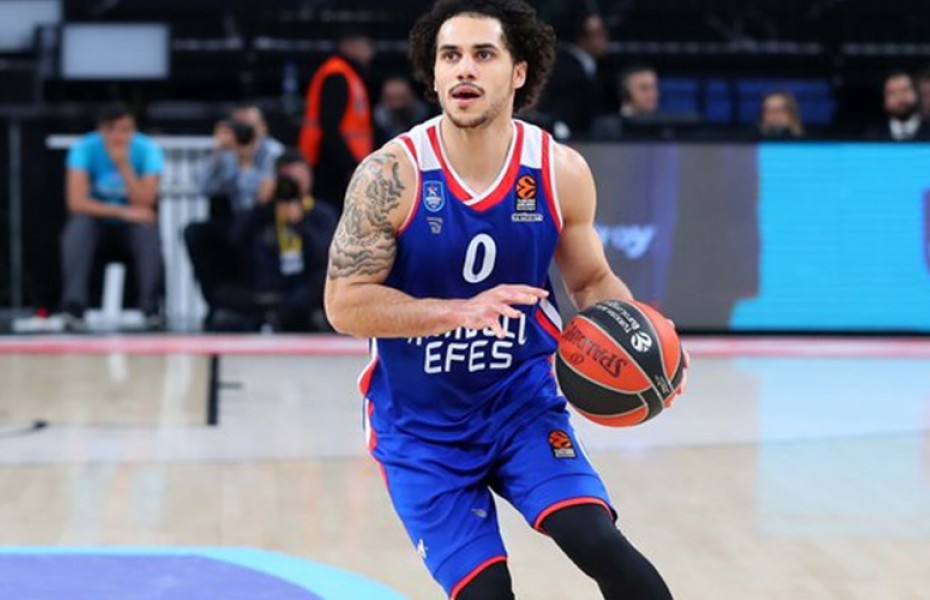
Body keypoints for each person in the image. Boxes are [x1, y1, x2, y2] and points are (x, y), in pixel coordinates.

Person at [324, 1, 684, 598]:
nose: (464, 69)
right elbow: (344, 303)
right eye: (450, 56)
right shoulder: (391, 175)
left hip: (521, 404)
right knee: (487, 592)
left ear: (518, 72)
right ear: (434, 73)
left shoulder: (558, 170)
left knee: (597, 540)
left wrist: (643, 340)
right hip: (420, 430)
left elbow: (591, 282)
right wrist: (456, 312)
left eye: (483, 54)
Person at [60, 102, 164, 327]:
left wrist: (124, 165)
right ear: (101, 130)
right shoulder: (84, 148)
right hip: (98, 220)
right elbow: (76, 203)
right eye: (112, 130)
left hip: (132, 225)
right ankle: (74, 306)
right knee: (78, 227)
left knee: (147, 230)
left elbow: (146, 202)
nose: (119, 137)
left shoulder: (147, 149)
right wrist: (123, 211)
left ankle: (151, 308)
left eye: (125, 130)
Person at [211, 150, 337, 332]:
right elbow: (234, 241)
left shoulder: (322, 213)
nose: (295, 184)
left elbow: (325, 255)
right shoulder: (266, 212)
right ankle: (271, 313)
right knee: (224, 293)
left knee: (321, 285)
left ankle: (280, 313)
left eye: (301, 177)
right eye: (289, 179)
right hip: (268, 286)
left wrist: (300, 224)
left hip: (304, 285)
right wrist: (260, 205)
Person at [186, 104, 284, 327]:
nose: (245, 131)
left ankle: (255, 306)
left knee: (245, 227)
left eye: (250, 126)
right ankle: (217, 304)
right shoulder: (227, 153)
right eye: (239, 126)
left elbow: (260, 197)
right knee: (195, 233)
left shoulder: (273, 152)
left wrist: (246, 163)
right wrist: (218, 151)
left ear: (263, 128)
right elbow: (201, 187)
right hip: (235, 220)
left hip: (269, 218)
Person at [298, 28, 375, 212]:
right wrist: (350, 166)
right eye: (365, 45)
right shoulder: (337, 75)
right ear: (347, 46)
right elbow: (330, 127)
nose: (370, 52)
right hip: (330, 166)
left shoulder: (349, 75)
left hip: (342, 164)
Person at [537, 5, 609, 138]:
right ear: (581, 36)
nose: (604, 38)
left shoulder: (595, 66)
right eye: (597, 34)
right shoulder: (567, 70)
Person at [591, 65, 662, 138]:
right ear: (624, 94)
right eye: (644, 88)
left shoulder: (663, 126)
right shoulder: (607, 127)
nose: (652, 94)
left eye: (654, 87)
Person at [866, 70, 930, 141]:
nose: (900, 98)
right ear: (884, 101)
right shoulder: (872, 136)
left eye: (905, 90)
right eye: (892, 93)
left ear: (917, 93)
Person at [373, 75, 431, 145]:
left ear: (410, 96)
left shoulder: (425, 120)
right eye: (391, 99)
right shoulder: (375, 125)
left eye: (400, 98)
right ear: (384, 100)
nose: (397, 105)